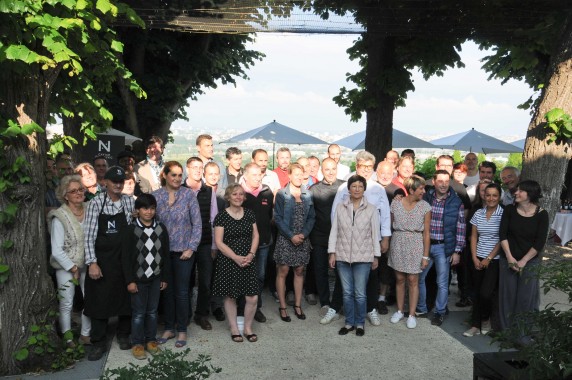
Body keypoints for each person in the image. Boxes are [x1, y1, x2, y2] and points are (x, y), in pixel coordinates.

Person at [331, 151, 392, 327]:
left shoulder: (378, 188)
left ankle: (370, 309)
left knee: (371, 278)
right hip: (346, 243)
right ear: (356, 166)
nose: (366, 170)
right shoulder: (345, 187)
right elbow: (335, 213)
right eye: (362, 166)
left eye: (369, 167)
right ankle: (340, 309)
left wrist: (385, 238)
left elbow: (385, 215)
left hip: (369, 242)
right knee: (346, 282)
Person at [84, 166, 135, 361]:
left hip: (124, 260)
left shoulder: (129, 202)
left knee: (126, 298)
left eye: (121, 182)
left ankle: (124, 335)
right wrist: (92, 263)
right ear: (105, 182)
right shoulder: (96, 203)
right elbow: (88, 236)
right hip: (103, 261)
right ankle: (98, 342)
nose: (118, 185)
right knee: (100, 301)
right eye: (114, 181)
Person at [153, 161, 202, 348]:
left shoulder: (189, 195)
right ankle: (168, 327)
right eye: (173, 175)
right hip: (163, 253)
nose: (177, 178)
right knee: (167, 291)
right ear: (165, 175)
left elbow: (197, 224)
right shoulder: (155, 196)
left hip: (184, 253)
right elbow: (151, 220)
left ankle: (182, 329)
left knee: (182, 293)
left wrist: (191, 248)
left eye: (179, 175)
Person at [329, 175, 381, 336]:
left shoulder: (371, 209)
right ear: (349, 188)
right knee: (346, 292)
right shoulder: (340, 207)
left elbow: (375, 234)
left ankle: (360, 323)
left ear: (364, 189)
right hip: (342, 256)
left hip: (364, 257)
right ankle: (349, 322)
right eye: (354, 186)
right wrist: (332, 253)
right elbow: (334, 232)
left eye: (360, 186)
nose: (357, 189)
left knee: (360, 293)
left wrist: (376, 256)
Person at [121, 193, 170, 359]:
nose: (148, 212)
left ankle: (151, 340)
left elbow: (165, 255)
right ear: (137, 210)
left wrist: (164, 277)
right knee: (139, 313)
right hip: (138, 280)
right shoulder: (131, 230)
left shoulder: (161, 229)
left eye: (152, 208)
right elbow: (126, 258)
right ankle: (137, 343)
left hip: (156, 278)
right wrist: (130, 280)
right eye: (144, 208)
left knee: (152, 311)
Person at [498, 180, 549, 342]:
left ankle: (522, 335)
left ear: (530, 194)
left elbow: (539, 243)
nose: (516, 193)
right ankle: (507, 335)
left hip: (530, 262)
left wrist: (524, 261)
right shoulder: (509, 210)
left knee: (526, 299)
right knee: (507, 297)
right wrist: (510, 258)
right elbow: (503, 235)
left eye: (520, 191)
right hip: (508, 259)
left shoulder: (542, 214)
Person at [417, 170, 465, 326]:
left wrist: (457, 251)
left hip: (443, 247)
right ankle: (422, 308)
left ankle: (440, 312)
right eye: (440, 181)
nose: (444, 184)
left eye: (446, 181)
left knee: (442, 282)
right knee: (419, 278)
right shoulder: (425, 197)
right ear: (434, 182)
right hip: (425, 245)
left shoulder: (456, 202)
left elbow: (461, 228)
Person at [212, 184, 260, 343]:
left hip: (248, 260)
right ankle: (234, 328)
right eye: (234, 194)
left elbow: (256, 236)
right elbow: (219, 242)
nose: (238, 197)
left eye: (241, 194)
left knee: (252, 297)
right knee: (231, 295)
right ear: (228, 197)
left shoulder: (250, 214)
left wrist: (251, 254)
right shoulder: (221, 216)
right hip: (229, 261)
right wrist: (236, 257)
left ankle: (247, 328)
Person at [48, 175, 91, 348]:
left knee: (90, 300)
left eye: (80, 189)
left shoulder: (90, 208)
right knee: (67, 303)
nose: (78, 193)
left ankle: (85, 335)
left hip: (88, 263)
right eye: (73, 191)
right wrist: (72, 267)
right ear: (65, 195)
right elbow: (56, 250)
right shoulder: (59, 216)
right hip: (65, 265)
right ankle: (68, 339)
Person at [388, 175, 431, 329]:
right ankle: (400, 310)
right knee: (399, 279)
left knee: (413, 280)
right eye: (421, 188)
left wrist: (425, 255)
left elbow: (427, 233)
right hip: (398, 242)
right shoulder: (396, 203)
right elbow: (390, 224)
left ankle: (411, 314)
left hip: (415, 243)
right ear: (411, 189)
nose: (424, 191)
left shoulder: (425, 206)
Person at [274, 163, 316, 322]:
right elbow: (277, 218)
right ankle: (283, 306)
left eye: (301, 174)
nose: (298, 177)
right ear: (289, 176)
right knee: (283, 271)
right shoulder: (281, 194)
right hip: (286, 238)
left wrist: (303, 234)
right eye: (295, 174)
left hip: (303, 238)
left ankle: (298, 305)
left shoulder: (308, 194)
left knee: (299, 270)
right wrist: (291, 235)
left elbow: (312, 217)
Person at [463, 183, 503, 337]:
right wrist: (474, 257)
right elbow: (473, 236)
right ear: (483, 196)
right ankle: (474, 325)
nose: (491, 198)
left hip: (494, 259)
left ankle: (485, 319)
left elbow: (502, 239)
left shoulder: (503, 214)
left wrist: (488, 258)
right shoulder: (478, 213)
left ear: (499, 197)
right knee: (476, 293)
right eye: (488, 195)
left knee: (486, 293)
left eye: (494, 195)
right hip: (477, 257)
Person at [183, 157, 217, 331]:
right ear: (187, 169)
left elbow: (213, 219)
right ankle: (185, 314)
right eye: (194, 167)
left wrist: (214, 246)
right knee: (186, 281)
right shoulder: (180, 190)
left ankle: (201, 315)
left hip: (204, 243)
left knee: (205, 281)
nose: (197, 170)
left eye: (200, 167)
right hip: (185, 244)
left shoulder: (209, 191)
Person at [309, 158, 345, 323]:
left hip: (341, 237)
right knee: (321, 270)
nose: (330, 172)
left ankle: (339, 302)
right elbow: (309, 215)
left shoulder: (345, 187)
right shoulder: (314, 189)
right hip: (320, 236)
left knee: (341, 271)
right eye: (327, 169)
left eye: (333, 169)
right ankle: (325, 302)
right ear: (321, 171)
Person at [240, 163, 274, 323]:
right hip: (243, 244)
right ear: (245, 176)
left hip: (263, 243)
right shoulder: (239, 194)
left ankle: (256, 308)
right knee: (243, 275)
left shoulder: (267, 192)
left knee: (260, 276)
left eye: (259, 174)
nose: (257, 177)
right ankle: (241, 308)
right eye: (253, 175)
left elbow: (269, 216)